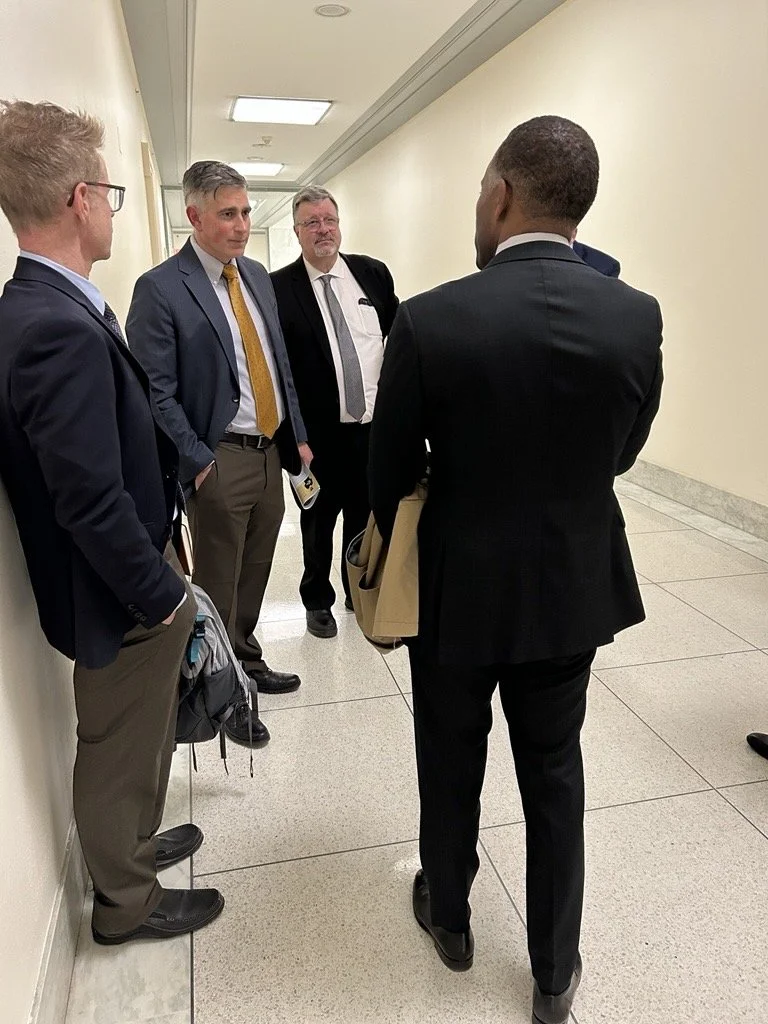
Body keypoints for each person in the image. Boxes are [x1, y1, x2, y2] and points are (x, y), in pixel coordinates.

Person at [368, 115, 663, 1024]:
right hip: (571, 588)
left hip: (456, 591)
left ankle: (451, 920)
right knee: (555, 772)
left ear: (500, 195)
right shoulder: (635, 316)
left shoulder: (430, 318)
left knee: (449, 757)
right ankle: (552, 973)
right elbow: (621, 453)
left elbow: (386, 473)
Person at [0, 100, 223, 944]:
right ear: (78, 200)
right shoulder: (51, 327)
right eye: (110, 192)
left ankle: (134, 844)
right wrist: (161, 595)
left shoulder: (54, 304)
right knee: (117, 742)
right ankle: (126, 902)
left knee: (142, 733)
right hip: (118, 591)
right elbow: (87, 500)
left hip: (132, 573)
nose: (113, 210)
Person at [127, 161, 310, 746]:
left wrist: (296, 435)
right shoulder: (161, 288)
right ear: (195, 216)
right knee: (218, 578)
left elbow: (278, 364)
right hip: (219, 456)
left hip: (269, 452)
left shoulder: (253, 275)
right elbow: (155, 391)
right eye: (228, 214)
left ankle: (247, 657)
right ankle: (221, 693)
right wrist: (199, 460)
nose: (241, 225)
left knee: (256, 568)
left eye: (246, 212)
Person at [271, 186, 398, 639]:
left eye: (329, 220)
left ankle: (353, 590)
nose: (323, 230)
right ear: (297, 231)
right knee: (317, 522)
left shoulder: (371, 274)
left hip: (371, 430)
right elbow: (276, 372)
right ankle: (316, 600)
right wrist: (292, 439)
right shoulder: (278, 289)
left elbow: (397, 343)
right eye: (312, 222)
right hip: (316, 437)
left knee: (364, 516)